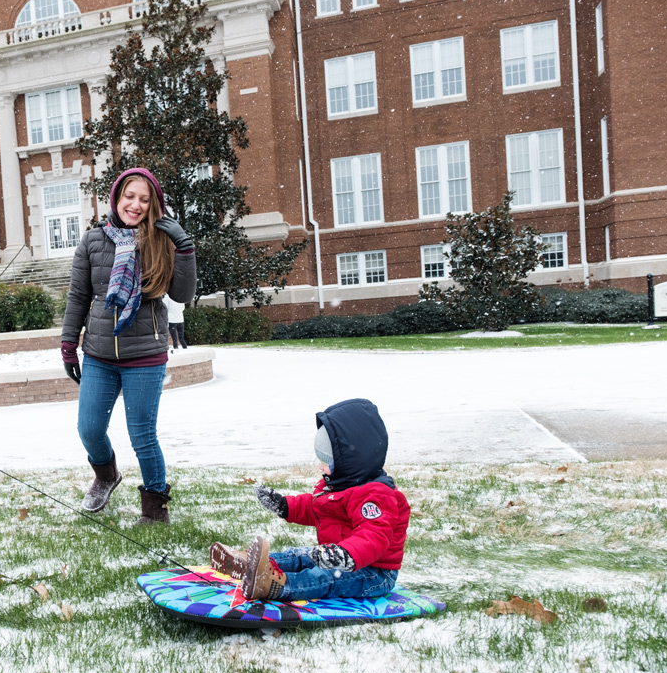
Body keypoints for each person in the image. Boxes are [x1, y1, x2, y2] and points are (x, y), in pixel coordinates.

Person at [60, 168, 197, 524]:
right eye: (129, 196)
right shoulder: (92, 240)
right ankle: (106, 476)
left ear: (153, 205)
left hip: (145, 355)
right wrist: (68, 344)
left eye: (144, 199)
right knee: (89, 429)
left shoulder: (161, 240)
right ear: (116, 198)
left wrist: (183, 248)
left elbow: (182, 294)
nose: (135, 205)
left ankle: (155, 510)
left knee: (143, 437)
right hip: (100, 355)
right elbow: (78, 297)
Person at [210, 398, 410, 602]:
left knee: (325, 577)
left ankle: (275, 586)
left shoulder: (376, 495)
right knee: (300, 556)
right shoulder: (339, 486)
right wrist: (283, 505)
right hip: (337, 557)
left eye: (327, 461)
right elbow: (313, 508)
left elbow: (374, 537)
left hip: (374, 573)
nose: (320, 468)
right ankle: (249, 565)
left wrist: (344, 554)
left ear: (350, 461)